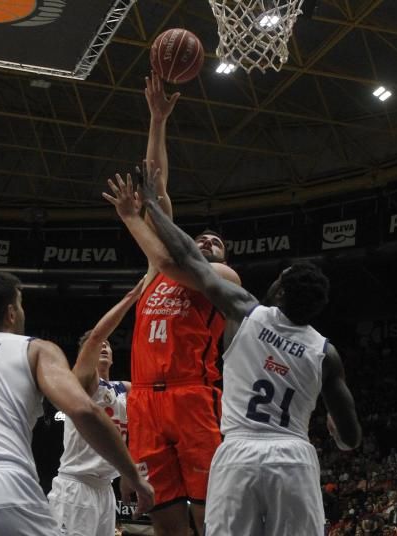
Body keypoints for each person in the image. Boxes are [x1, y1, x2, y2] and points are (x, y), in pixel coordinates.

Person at [104, 165, 361, 535]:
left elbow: (185, 256)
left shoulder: (246, 312)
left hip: (238, 449)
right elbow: (350, 439)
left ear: (281, 291)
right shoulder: (326, 353)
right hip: (293, 456)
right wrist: (336, 429)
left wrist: (151, 208)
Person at [0, 271, 153, 534]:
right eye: (20, 305)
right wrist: (133, 476)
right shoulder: (34, 348)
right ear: (11, 313)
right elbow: (83, 410)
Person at [115, 73, 242, 536]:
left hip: (193, 396)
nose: (207, 242)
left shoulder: (220, 279)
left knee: (211, 514)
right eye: (201, 238)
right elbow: (158, 190)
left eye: (215, 242)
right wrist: (156, 120)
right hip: (144, 398)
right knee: (165, 519)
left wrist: (137, 219)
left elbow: (169, 247)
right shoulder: (156, 269)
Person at [47, 279, 144, 535]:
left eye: (108, 345)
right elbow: (97, 336)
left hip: (106, 490)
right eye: (95, 343)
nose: (102, 345)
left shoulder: (126, 389)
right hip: (75, 488)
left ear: (112, 355)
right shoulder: (81, 383)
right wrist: (132, 298)